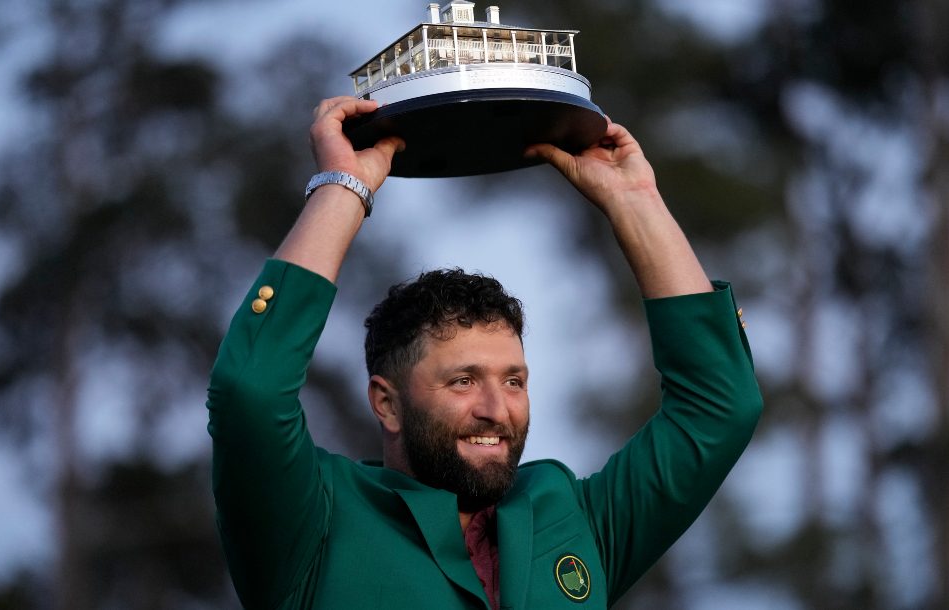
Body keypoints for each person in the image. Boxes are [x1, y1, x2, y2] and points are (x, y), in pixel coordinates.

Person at [206, 96, 763, 609]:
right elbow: (249, 392)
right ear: (387, 404)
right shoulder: (316, 519)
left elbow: (720, 405)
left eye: (514, 380)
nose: (497, 409)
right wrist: (342, 187)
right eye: (463, 381)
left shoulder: (573, 519)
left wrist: (634, 201)